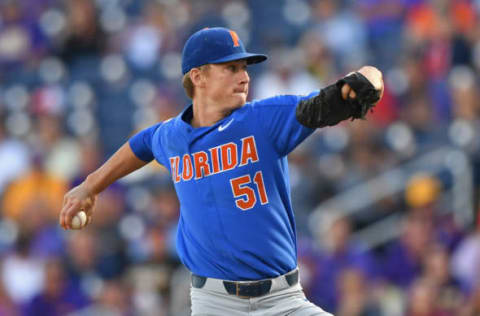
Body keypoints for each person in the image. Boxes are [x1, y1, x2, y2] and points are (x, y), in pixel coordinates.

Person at [59, 27, 383, 315]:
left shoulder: (263, 119)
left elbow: (326, 103)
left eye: (244, 68)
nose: (244, 76)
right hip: (214, 304)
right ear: (197, 77)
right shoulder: (173, 136)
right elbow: (142, 144)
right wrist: (90, 186)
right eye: (231, 68)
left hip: (283, 301)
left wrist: (369, 78)